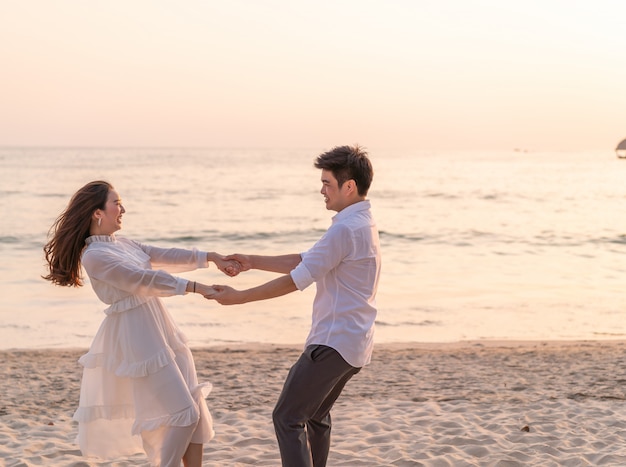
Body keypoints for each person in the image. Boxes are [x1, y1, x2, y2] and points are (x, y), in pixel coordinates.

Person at [43, 180, 239, 467]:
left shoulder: (121, 243)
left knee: (194, 406)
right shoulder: (96, 255)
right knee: (184, 412)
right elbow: (142, 280)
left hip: (160, 325)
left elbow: (162, 255)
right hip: (137, 334)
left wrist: (211, 258)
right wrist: (197, 287)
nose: (123, 209)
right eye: (116, 203)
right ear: (98, 213)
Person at [207, 145, 381, 467]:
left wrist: (240, 297)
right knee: (315, 415)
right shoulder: (361, 223)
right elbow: (309, 260)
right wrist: (252, 262)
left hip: (333, 342)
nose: (321, 190)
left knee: (286, 418)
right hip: (354, 344)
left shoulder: (345, 228)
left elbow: (298, 278)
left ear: (349, 186)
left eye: (327, 183)